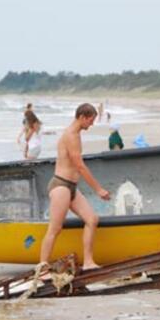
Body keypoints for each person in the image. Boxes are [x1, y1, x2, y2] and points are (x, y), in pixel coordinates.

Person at [39, 103, 111, 271]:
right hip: (61, 186)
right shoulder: (71, 135)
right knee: (55, 228)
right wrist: (98, 189)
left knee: (92, 220)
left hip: (71, 187)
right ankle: (42, 269)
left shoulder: (76, 134)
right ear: (82, 117)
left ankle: (88, 262)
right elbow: (80, 166)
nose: (91, 124)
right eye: (90, 120)